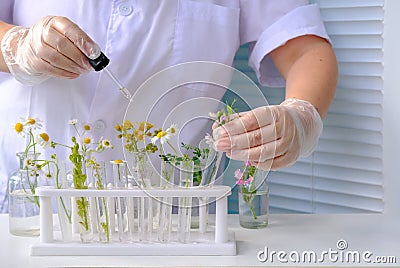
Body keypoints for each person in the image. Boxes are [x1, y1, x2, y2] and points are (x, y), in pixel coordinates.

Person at [0, 1, 338, 212]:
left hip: (164, 218)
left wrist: (300, 116)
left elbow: (305, 51)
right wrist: (16, 45)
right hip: (28, 203)